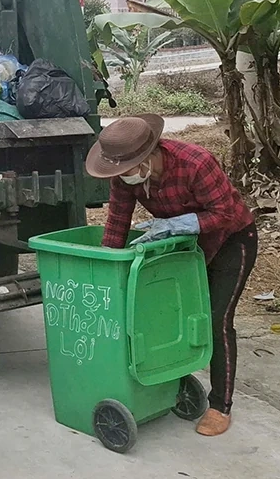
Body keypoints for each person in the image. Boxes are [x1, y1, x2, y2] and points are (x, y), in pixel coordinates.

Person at [85, 115, 257, 437]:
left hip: (232, 240)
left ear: (148, 156)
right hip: (185, 248)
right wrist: (106, 266)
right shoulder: (125, 177)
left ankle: (221, 405)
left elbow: (226, 213)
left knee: (216, 319)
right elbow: (117, 222)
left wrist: (180, 223)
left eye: (126, 171)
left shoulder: (195, 163)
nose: (122, 178)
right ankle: (175, 380)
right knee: (171, 317)